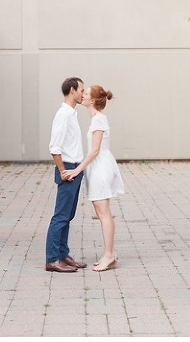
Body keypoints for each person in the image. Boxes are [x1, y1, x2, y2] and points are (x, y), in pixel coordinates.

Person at [65, 84, 124, 272]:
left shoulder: (98, 120)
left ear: (93, 100)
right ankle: (109, 253)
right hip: (97, 167)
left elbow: (95, 150)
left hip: (100, 168)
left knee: (103, 213)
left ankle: (109, 255)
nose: (82, 95)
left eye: (86, 93)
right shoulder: (96, 119)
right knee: (101, 212)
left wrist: (77, 170)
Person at [45, 77, 87, 273]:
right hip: (68, 169)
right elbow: (54, 147)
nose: (83, 94)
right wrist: (63, 171)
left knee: (68, 215)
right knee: (60, 216)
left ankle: (63, 254)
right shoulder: (63, 115)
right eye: (81, 90)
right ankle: (52, 259)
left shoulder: (71, 114)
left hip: (76, 169)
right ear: (72, 90)